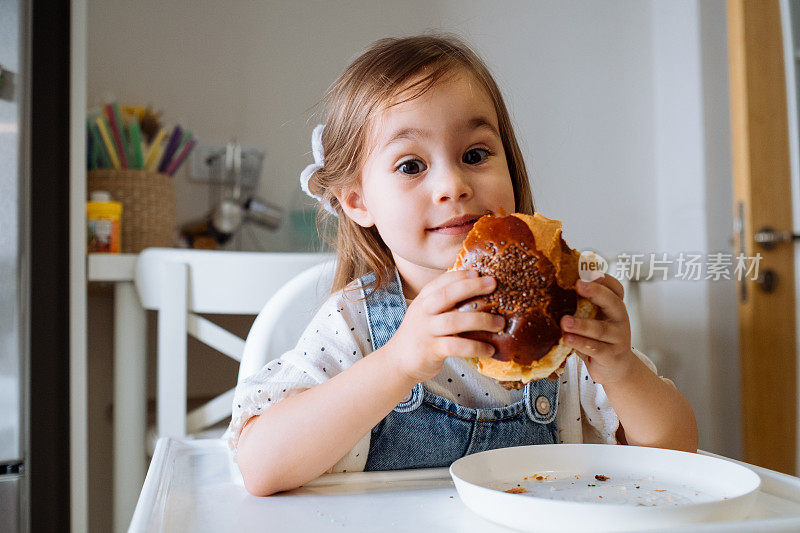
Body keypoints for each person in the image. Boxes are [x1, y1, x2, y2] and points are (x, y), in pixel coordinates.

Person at [226, 33, 698, 497]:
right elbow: (261, 467)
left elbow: (675, 454)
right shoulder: (353, 325)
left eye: (475, 155)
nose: (453, 184)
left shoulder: (564, 320)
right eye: (411, 165)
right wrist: (398, 362)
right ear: (357, 200)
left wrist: (621, 370)